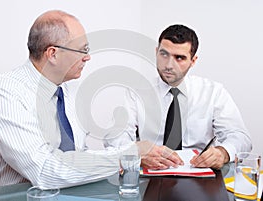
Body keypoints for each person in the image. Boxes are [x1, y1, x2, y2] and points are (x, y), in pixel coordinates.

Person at [0, 10, 183, 189]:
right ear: (53, 54)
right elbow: (45, 172)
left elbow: (79, 156)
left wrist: (131, 154)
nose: (87, 57)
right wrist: (129, 155)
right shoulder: (2, 91)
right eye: (82, 50)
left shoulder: (70, 89)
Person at [105, 24, 252, 169]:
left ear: (193, 61)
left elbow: (240, 137)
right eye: (164, 54)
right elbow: (115, 138)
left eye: (179, 58)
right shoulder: (136, 93)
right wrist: (136, 151)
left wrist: (223, 153)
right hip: (150, 175)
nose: (169, 65)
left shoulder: (213, 92)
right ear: (156, 52)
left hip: (200, 177)